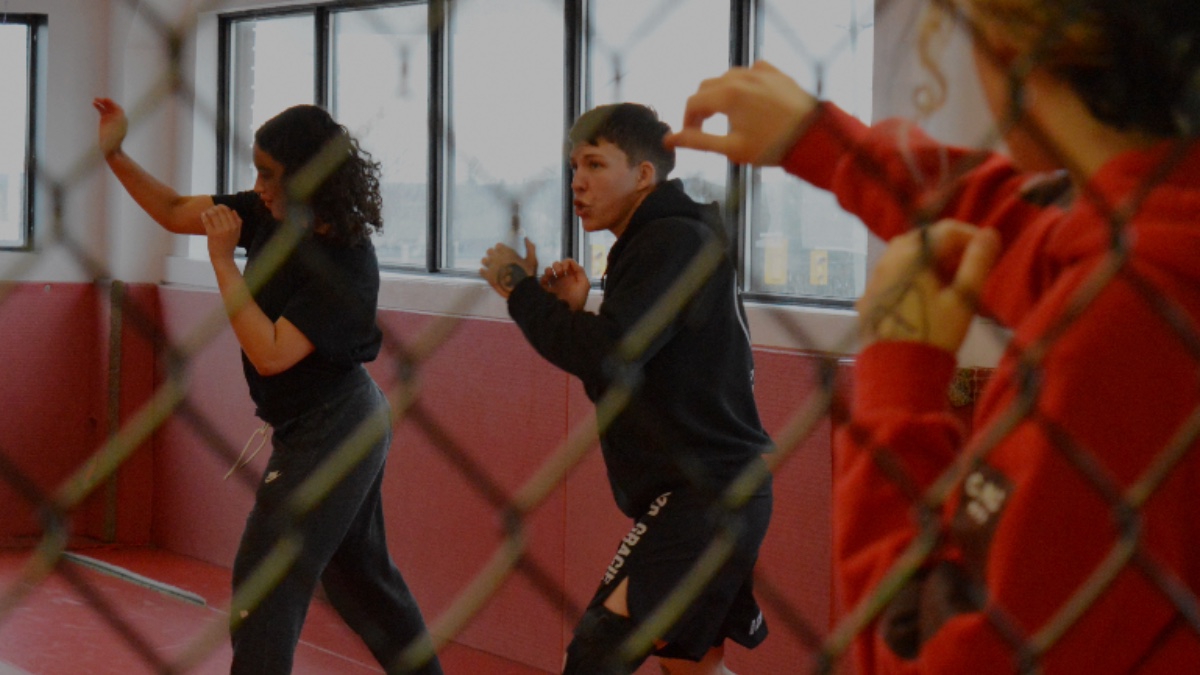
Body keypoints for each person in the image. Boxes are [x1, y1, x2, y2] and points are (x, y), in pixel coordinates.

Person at [666, 0, 1200, 672]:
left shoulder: (1111, 333)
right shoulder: (1162, 236)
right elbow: (1023, 227)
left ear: (1012, 53)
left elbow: (926, 658)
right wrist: (825, 142)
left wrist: (899, 370)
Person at [93, 99, 442, 675]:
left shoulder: (346, 259)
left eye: (268, 173)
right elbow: (177, 210)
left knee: (265, 582)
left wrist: (223, 265)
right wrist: (116, 155)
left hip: (337, 427)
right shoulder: (265, 213)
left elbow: (272, 352)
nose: (256, 186)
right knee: (362, 581)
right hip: (313, 428)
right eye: (254, 170)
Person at [479, 103, 773, 674]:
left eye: (594, 164)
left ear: (643, 175)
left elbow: (610, 359)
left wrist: (521, 291)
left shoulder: (670, 241)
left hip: (703, 498)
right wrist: (573, 313)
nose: (578, 183)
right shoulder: (660, 242)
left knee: (596, 653)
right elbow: (623, 374)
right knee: (690, 666)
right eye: (572, 168)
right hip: (712, 493)